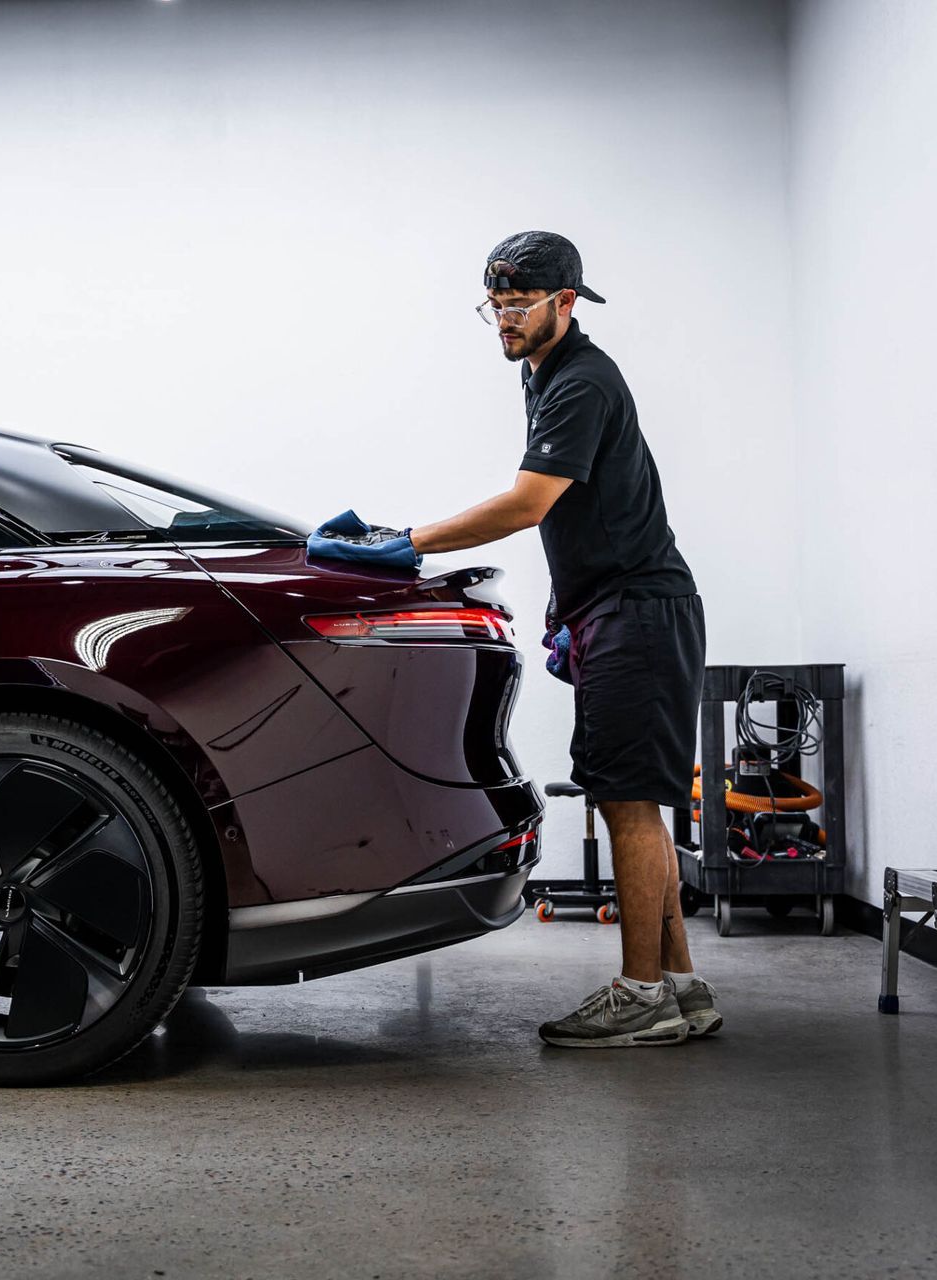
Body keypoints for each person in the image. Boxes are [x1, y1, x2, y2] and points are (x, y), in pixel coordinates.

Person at [322, 231, 716, 1047]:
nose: (503, 321)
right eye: (494, 306)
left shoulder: (581, 382)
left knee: (628, 805)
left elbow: (526, 504)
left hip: (638, 612)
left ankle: (641, 995)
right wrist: (567, 606)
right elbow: (582, 511)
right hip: (618, 608)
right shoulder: (541, 375)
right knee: (636, 801)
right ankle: (681, 989)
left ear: (566, 303)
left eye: (519, 306)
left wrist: (407, 539)